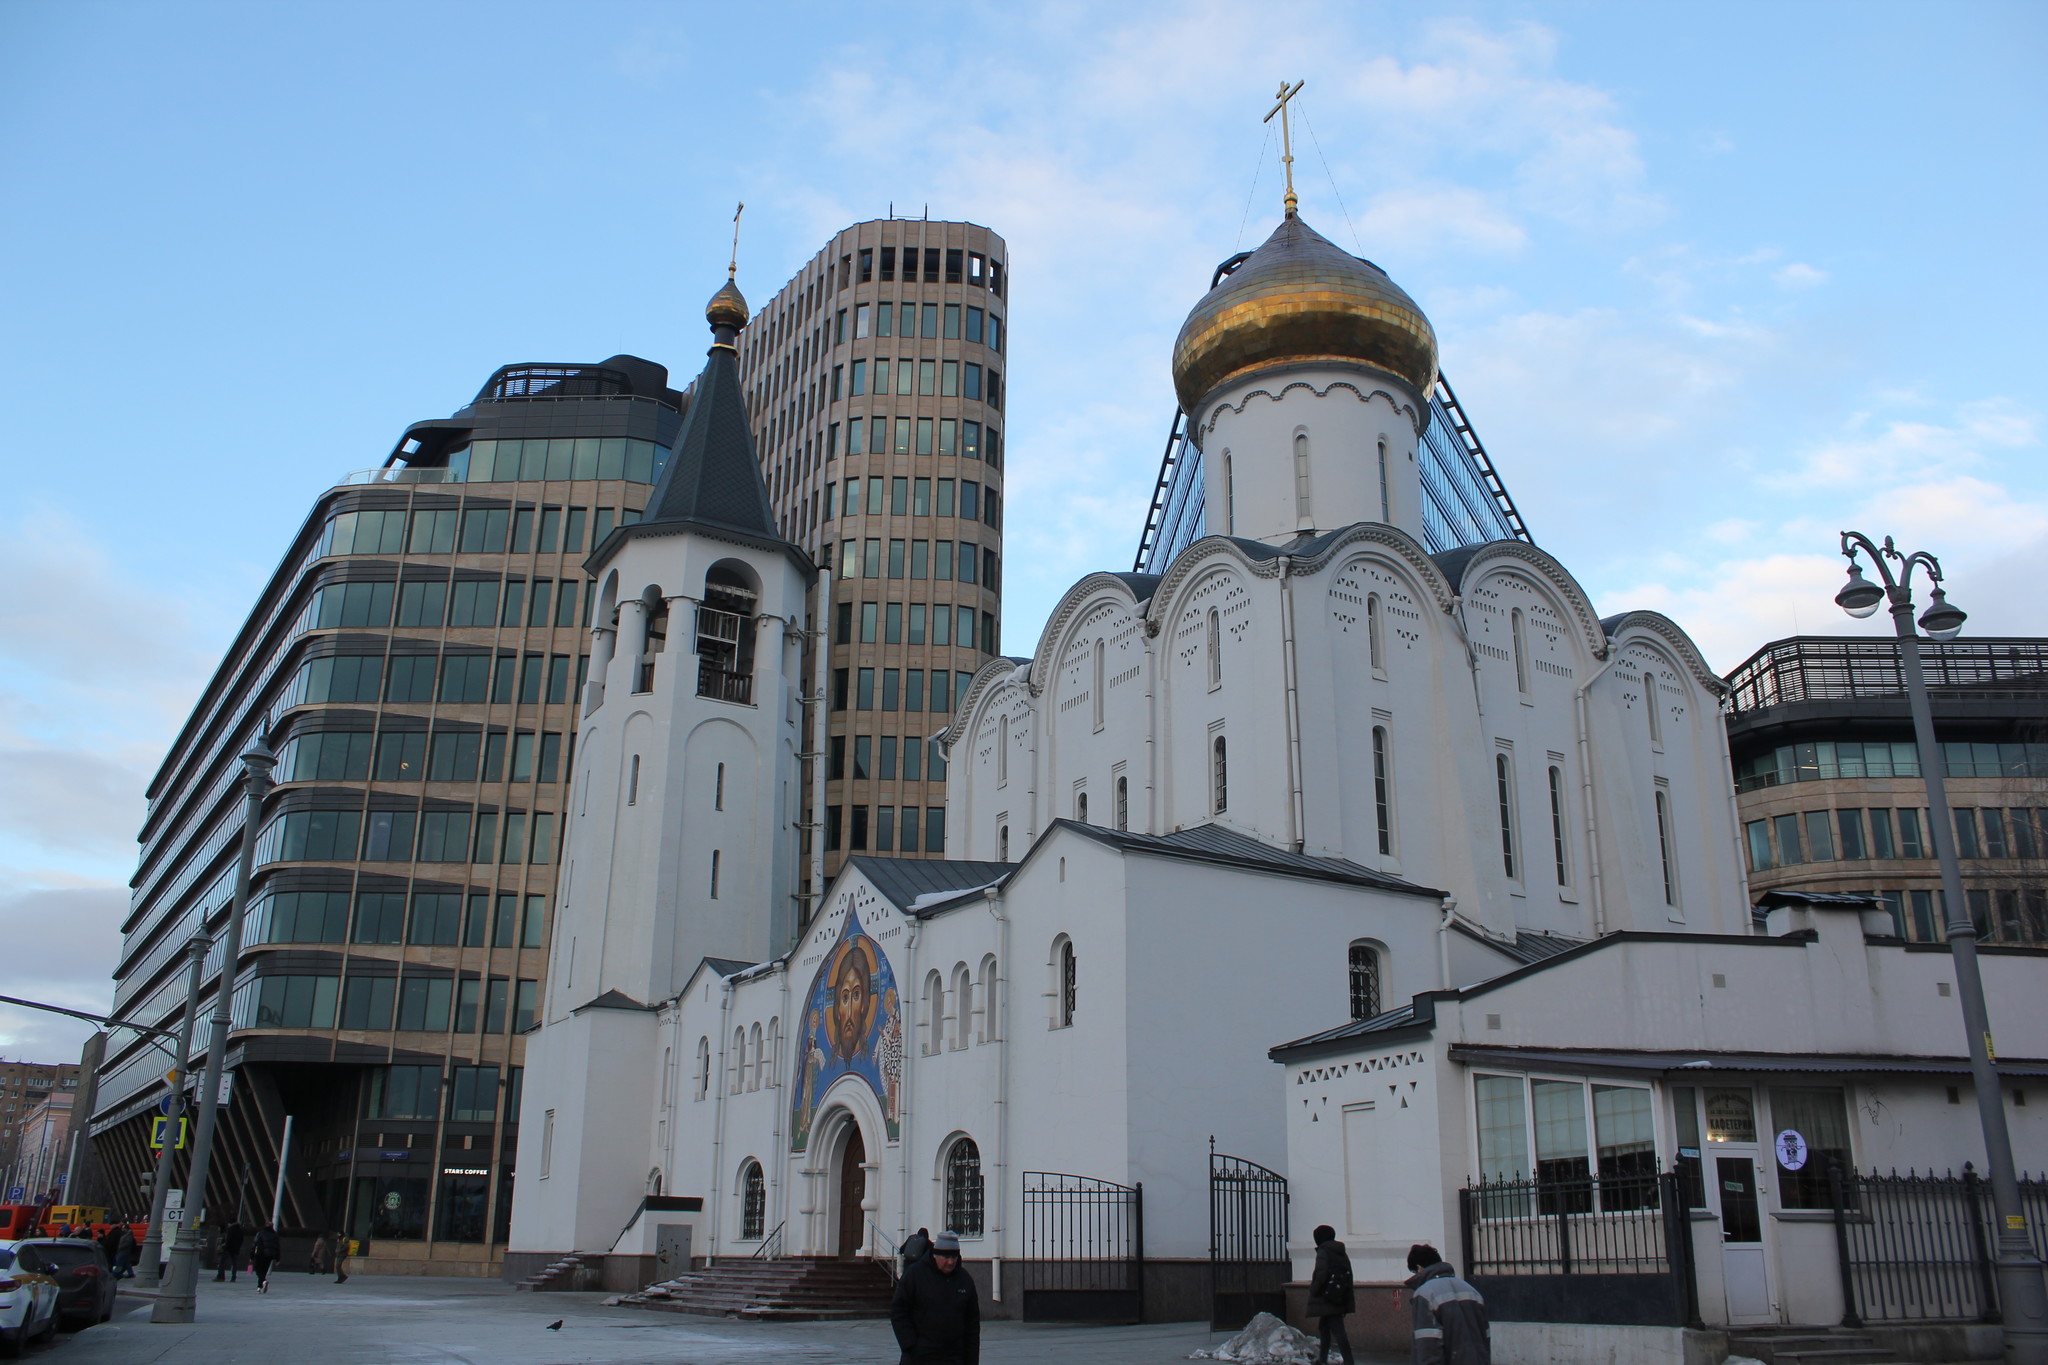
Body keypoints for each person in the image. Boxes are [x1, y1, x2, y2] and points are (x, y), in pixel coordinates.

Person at [889, 1230, 979, 1364]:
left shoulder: (964, 1280)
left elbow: (972, 1323)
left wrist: (971, 1359)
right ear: (935, 1255)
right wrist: (910, 1344)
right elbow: (899, 1310)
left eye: (954, 1258)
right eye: (946, 1258)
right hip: (920, 1356)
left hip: (954, 1357)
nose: (950, 1262)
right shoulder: (915, 1274)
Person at [1402, 1244, 1489, 1365]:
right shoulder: (1471, 1291)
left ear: (1419, 1268)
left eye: (1413, 1271)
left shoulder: (1425, 1294)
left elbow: (1428, 1344)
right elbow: (1485, 1336)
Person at [1306, 1224, 1356, 1365]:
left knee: (1338, 1331)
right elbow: (1349, 1274)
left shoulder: (1324, 1252)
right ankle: (1323, 1359)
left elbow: (1320, 1275)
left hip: (1327, 1297)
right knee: (1324, 1328)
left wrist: (1313, 1290)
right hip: (1338, 1295)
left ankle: (1348, 1361)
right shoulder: (1341, 1252)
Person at [250, 1222, 281, 1293]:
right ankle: (259, 1288)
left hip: (260, 1254)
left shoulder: (260, 1233)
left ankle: (263, 1282)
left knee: (258, 1270)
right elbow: (277, 1247)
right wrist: (277, 1259)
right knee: (264, 1271)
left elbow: (254, 1245)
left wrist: (251, 1255)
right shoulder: (275, 1235)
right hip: (269, 1256)